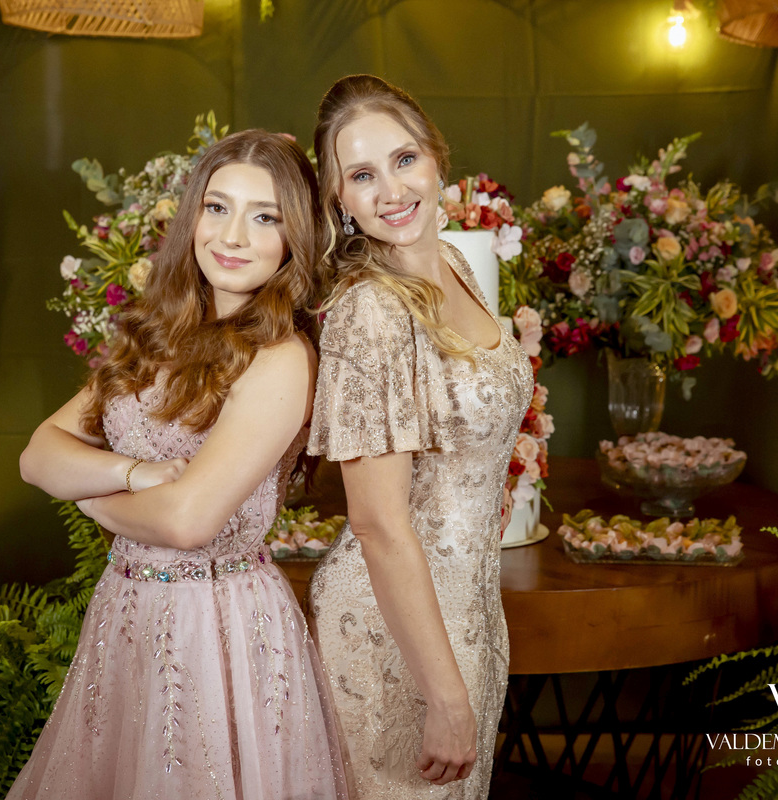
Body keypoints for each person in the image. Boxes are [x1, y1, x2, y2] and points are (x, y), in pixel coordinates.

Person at [6, 129, 348, 800]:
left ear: (295, 238)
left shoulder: (281, 357)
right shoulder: (157, 333)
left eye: (265, 217)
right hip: (126, 610)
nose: (233, 236)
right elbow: (37, 455)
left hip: (218, 627)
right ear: (193, 215)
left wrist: (87, 493)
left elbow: (189, 521)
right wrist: (133, 475)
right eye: (217, 208)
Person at [306, 75, 531, 799]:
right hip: (393, 632)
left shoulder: (455, 266)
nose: (392, 190)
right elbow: (377, 523)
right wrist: (445, 695)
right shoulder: (370, 312)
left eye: (404, 160)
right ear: (338, 198)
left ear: (436, 158)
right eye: (362, 175)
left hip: (469, 608)